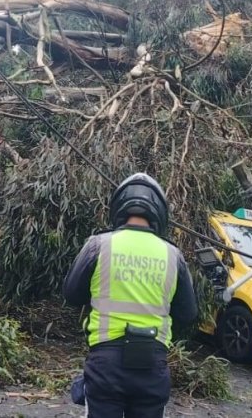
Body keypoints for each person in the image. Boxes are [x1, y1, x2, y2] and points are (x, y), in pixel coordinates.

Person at [63, 173, 197, 418]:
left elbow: (72, 294)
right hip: (153, 363)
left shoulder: (98, 245)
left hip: (106, 361)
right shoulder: (173, 255)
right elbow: (188, 314)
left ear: (118, 208)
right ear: (159, 212)